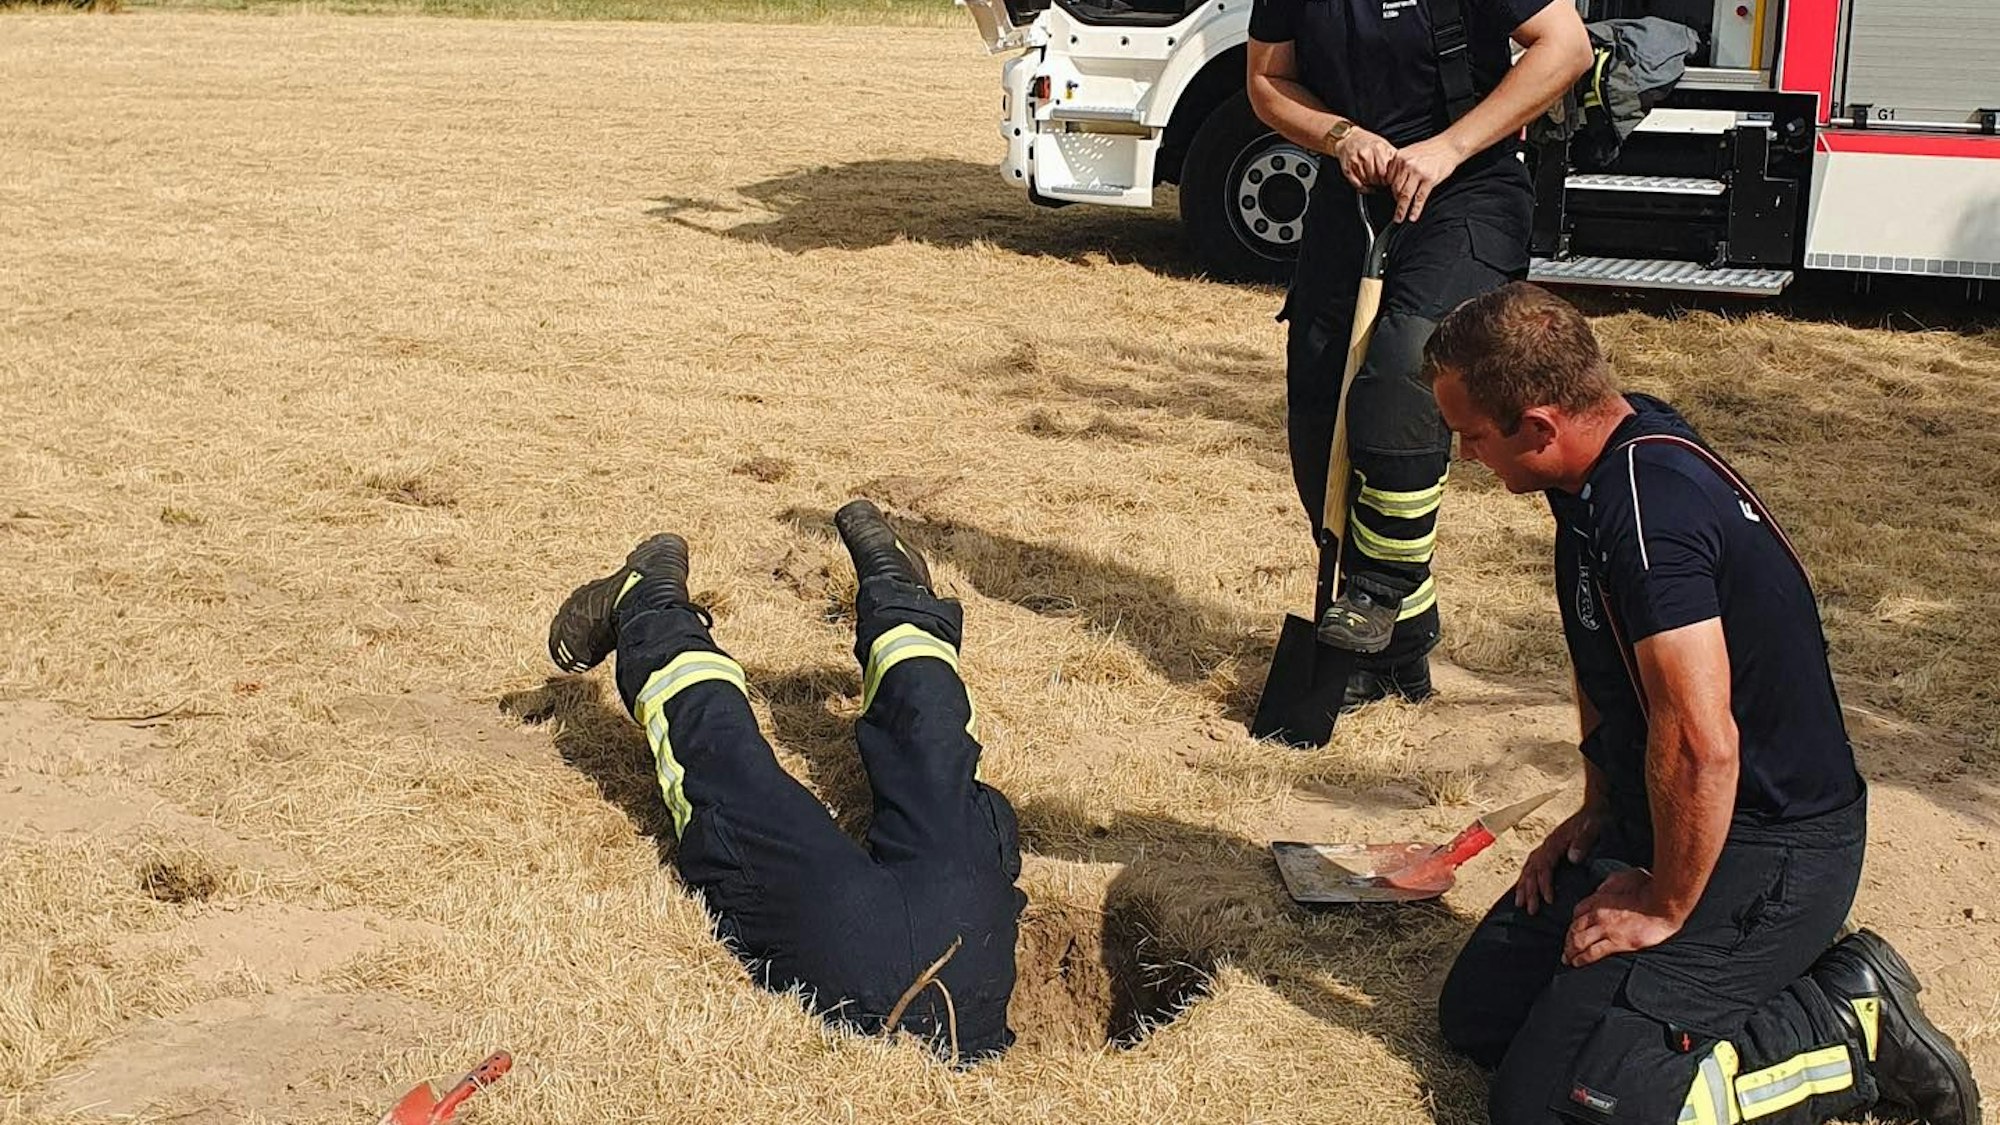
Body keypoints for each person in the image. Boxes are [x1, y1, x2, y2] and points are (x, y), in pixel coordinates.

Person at [1426, 283, 1980, 1125]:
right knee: (1478, 1017)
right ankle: (1662, 995)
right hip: (1667, 814)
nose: (1467, 456)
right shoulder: (1593, 464)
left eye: (1472, 435)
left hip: (1771, 844)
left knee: (1555, 1106)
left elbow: (1699, 743)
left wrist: (1664, 903)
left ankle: (1847, 1024)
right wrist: (1599, 812)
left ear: (1539, 425)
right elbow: (1607, 664)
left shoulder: (1651, 512)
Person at [545, 499, 1026, 1062]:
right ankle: (650, 605)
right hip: (894, 985)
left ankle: (900, 598)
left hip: (952, 968)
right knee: (736, 783)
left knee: (934, 761)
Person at [1247, 0, 1592, 705]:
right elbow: (1267, 80)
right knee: (1324, 426)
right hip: (1355, 200)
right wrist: (1340, 136)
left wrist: (1449, 147)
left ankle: (1378, 591)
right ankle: (1399, 646)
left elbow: (1567, 47)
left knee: (1406, 373)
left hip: (1468, 195)